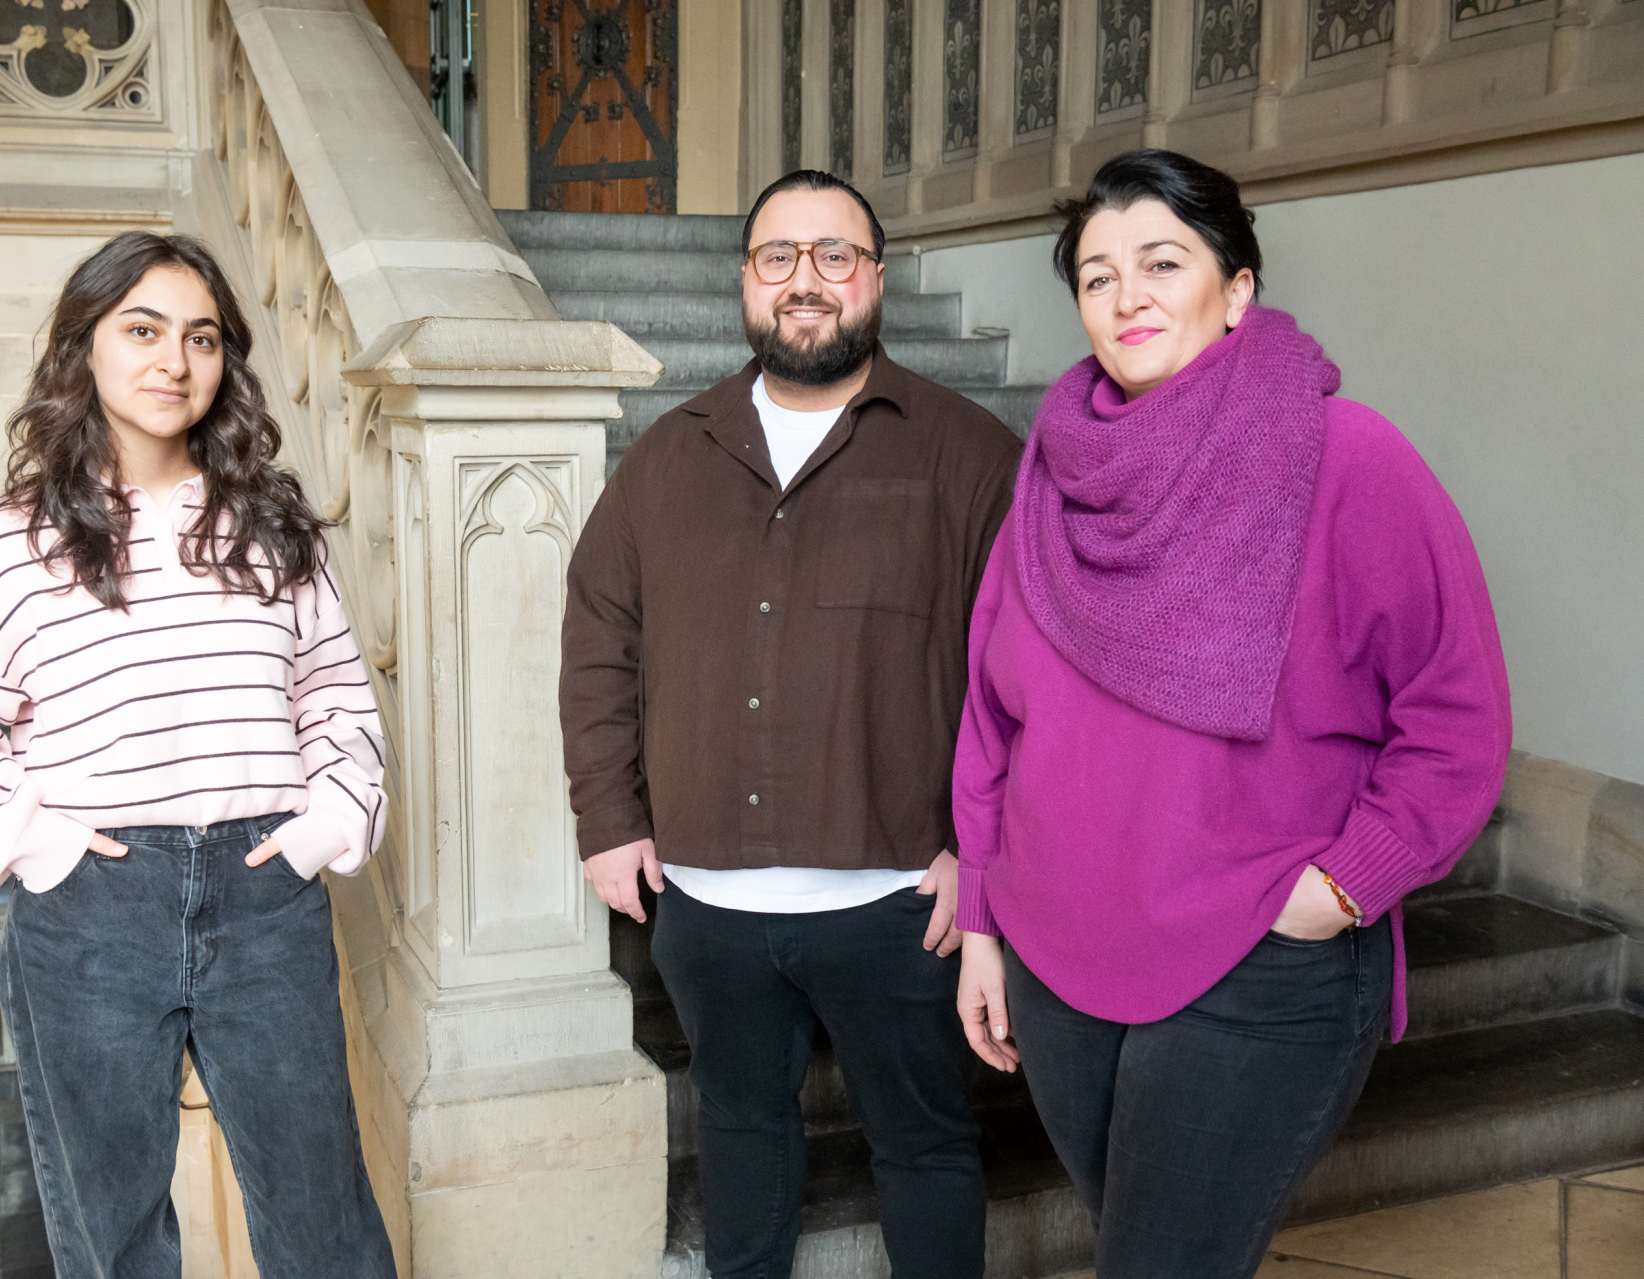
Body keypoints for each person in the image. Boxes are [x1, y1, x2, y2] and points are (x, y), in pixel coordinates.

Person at [952, 149, 1512, 1278]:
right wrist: (980, 918)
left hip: (1255, 960)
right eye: (1098, 276)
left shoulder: (1346, 458)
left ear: (1237, 287)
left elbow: (1457, 715)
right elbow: (991, 718)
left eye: (1164, 262)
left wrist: (1343, 884)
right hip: (1059, 962)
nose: (1129, 296)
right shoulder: (1049, 484)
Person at [0, 231, 395, 1278]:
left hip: (266, 894)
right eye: (144, 329)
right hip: (91, 911)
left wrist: (328, 826)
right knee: (112, 1238)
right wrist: (39, 848)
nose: (175, 360)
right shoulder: (7, 542)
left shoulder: (276, 528)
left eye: (202, 337)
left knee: (324, 1224)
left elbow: (336, 698)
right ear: (86, 349)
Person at [560, 170, 1023, 1278]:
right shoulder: (670, 455)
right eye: (779, 257)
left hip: (903, 904)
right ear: (746, 280)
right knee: (739, 1132)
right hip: (708, 910)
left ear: (875, 279)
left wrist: (986, 857)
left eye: (833, 256)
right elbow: (599, 643)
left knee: (925, 1147)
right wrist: (607, 816)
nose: (803, 281)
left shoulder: (970, 455)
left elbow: (1023, 683)